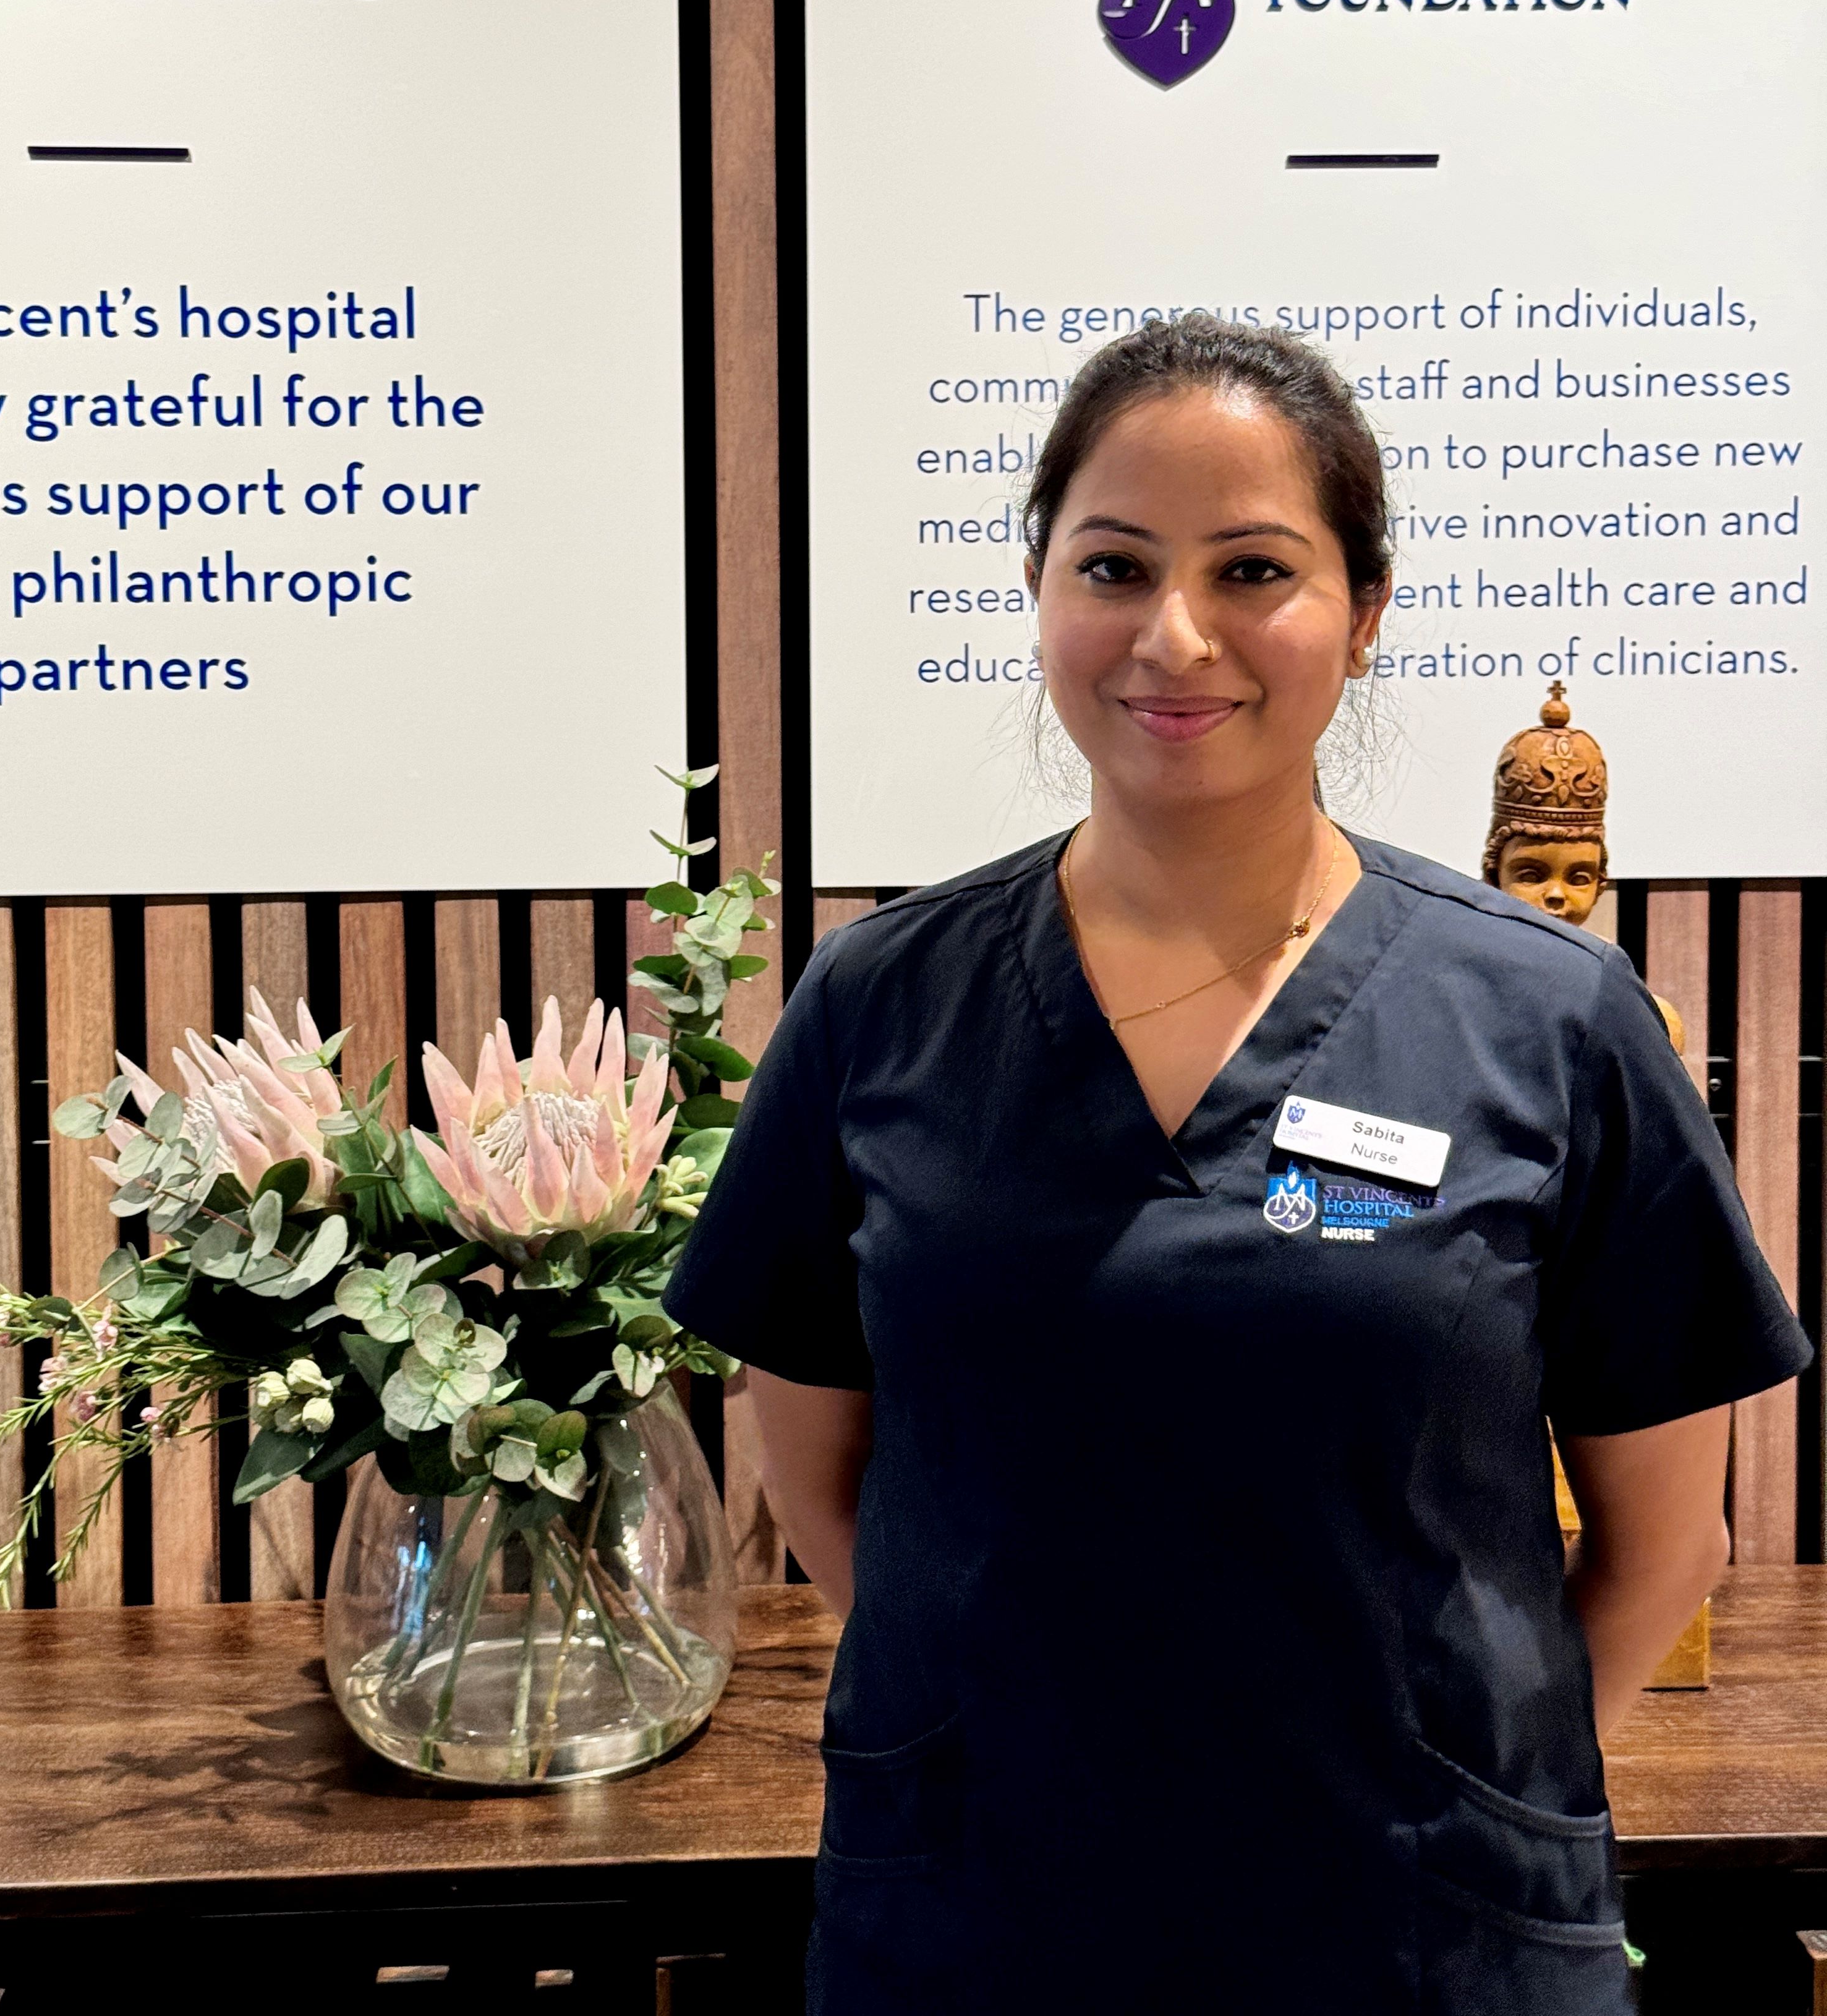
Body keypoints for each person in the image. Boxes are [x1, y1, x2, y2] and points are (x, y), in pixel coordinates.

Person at [665, 314, 1808, 2015]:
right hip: (983, 1928)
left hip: (1424, 1943)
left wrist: (1456, 1796)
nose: (1175, 636)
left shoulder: (1550, 1018)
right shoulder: (881, 1007)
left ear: (1367, 608)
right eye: (1114, 566)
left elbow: (1665, 1548)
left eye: (1254, 569)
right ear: (1040, 589)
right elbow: (824, 1487)